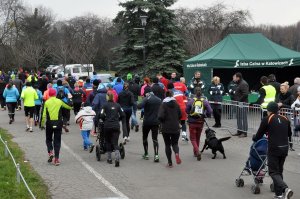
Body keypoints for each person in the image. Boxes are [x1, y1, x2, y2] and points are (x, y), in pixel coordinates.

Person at [252, 102, 293, 199]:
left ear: (268, 110)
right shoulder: (285, 118)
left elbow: (258, 135)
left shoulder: (267, 119)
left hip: (274, 148)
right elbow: (289, 133)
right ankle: (278, 195)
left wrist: (254, 138)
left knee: (273, 172)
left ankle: (285, 189)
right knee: (279, 171)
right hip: (284, 148)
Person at [40, 88, 72, 166]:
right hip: (58, 123)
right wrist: (70, 99)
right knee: (57, 141)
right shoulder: (60, 101)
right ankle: (56, 159)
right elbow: (69, 107)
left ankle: (50, 152)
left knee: (48, 139)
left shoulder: (46, 102)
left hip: (49, 123)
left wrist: (41, 124)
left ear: (49, 94)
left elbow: (43, 115)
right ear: (55, 94)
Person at [100, 92, 127, 167]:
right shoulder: (118, 105)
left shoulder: (104, 105)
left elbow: (101, 114)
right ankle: (117, 158)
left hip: (107, 125)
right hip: (116, 125)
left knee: (108, 141)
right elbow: (123, 114)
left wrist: (104, 119)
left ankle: (109, 159)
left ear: (107, 97)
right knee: (115, 142)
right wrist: (118, 119)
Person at [186, 87, 212, 161]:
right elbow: (210, 111)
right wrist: (205, 115)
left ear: (194, 93)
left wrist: (190, 113)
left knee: (192, 138)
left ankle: (197, 151)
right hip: (200, 122)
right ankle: (196, 152)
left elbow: (186, 110)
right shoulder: (205, 101)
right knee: (198, 137)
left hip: (192, 122)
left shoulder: (191, 101)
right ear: (201, 92)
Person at [158, 90, 182, 168]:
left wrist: (161, 122)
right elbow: (180, 115)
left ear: (165, 95)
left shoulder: (163, 104)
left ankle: (170, 162)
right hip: (175, 127)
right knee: (175, 143)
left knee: (167, 144)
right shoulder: (176, 104)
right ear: (172, 95)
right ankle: (177, 154)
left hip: (166, 128)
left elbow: (160, 116)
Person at [137, 87, 161, 162]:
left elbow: (139, 106)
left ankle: (146, 154)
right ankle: (156, 155)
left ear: (146, 93)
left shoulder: (146, 98)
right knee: (155, 139)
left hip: (147, 121)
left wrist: (140, 101)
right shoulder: (159, 99)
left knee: (145, 137)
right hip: (155, 122)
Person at [233, 72, 249, 137]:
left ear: (238, 78)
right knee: (239, 117)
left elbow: (245, 94)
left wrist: (239, 101)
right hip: (239, 103)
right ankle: (239, 131)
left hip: (242, 103)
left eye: (234, 77)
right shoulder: (239, 83)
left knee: (243, 117)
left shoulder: (243, 84)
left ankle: (244, 133)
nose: (233, 79)